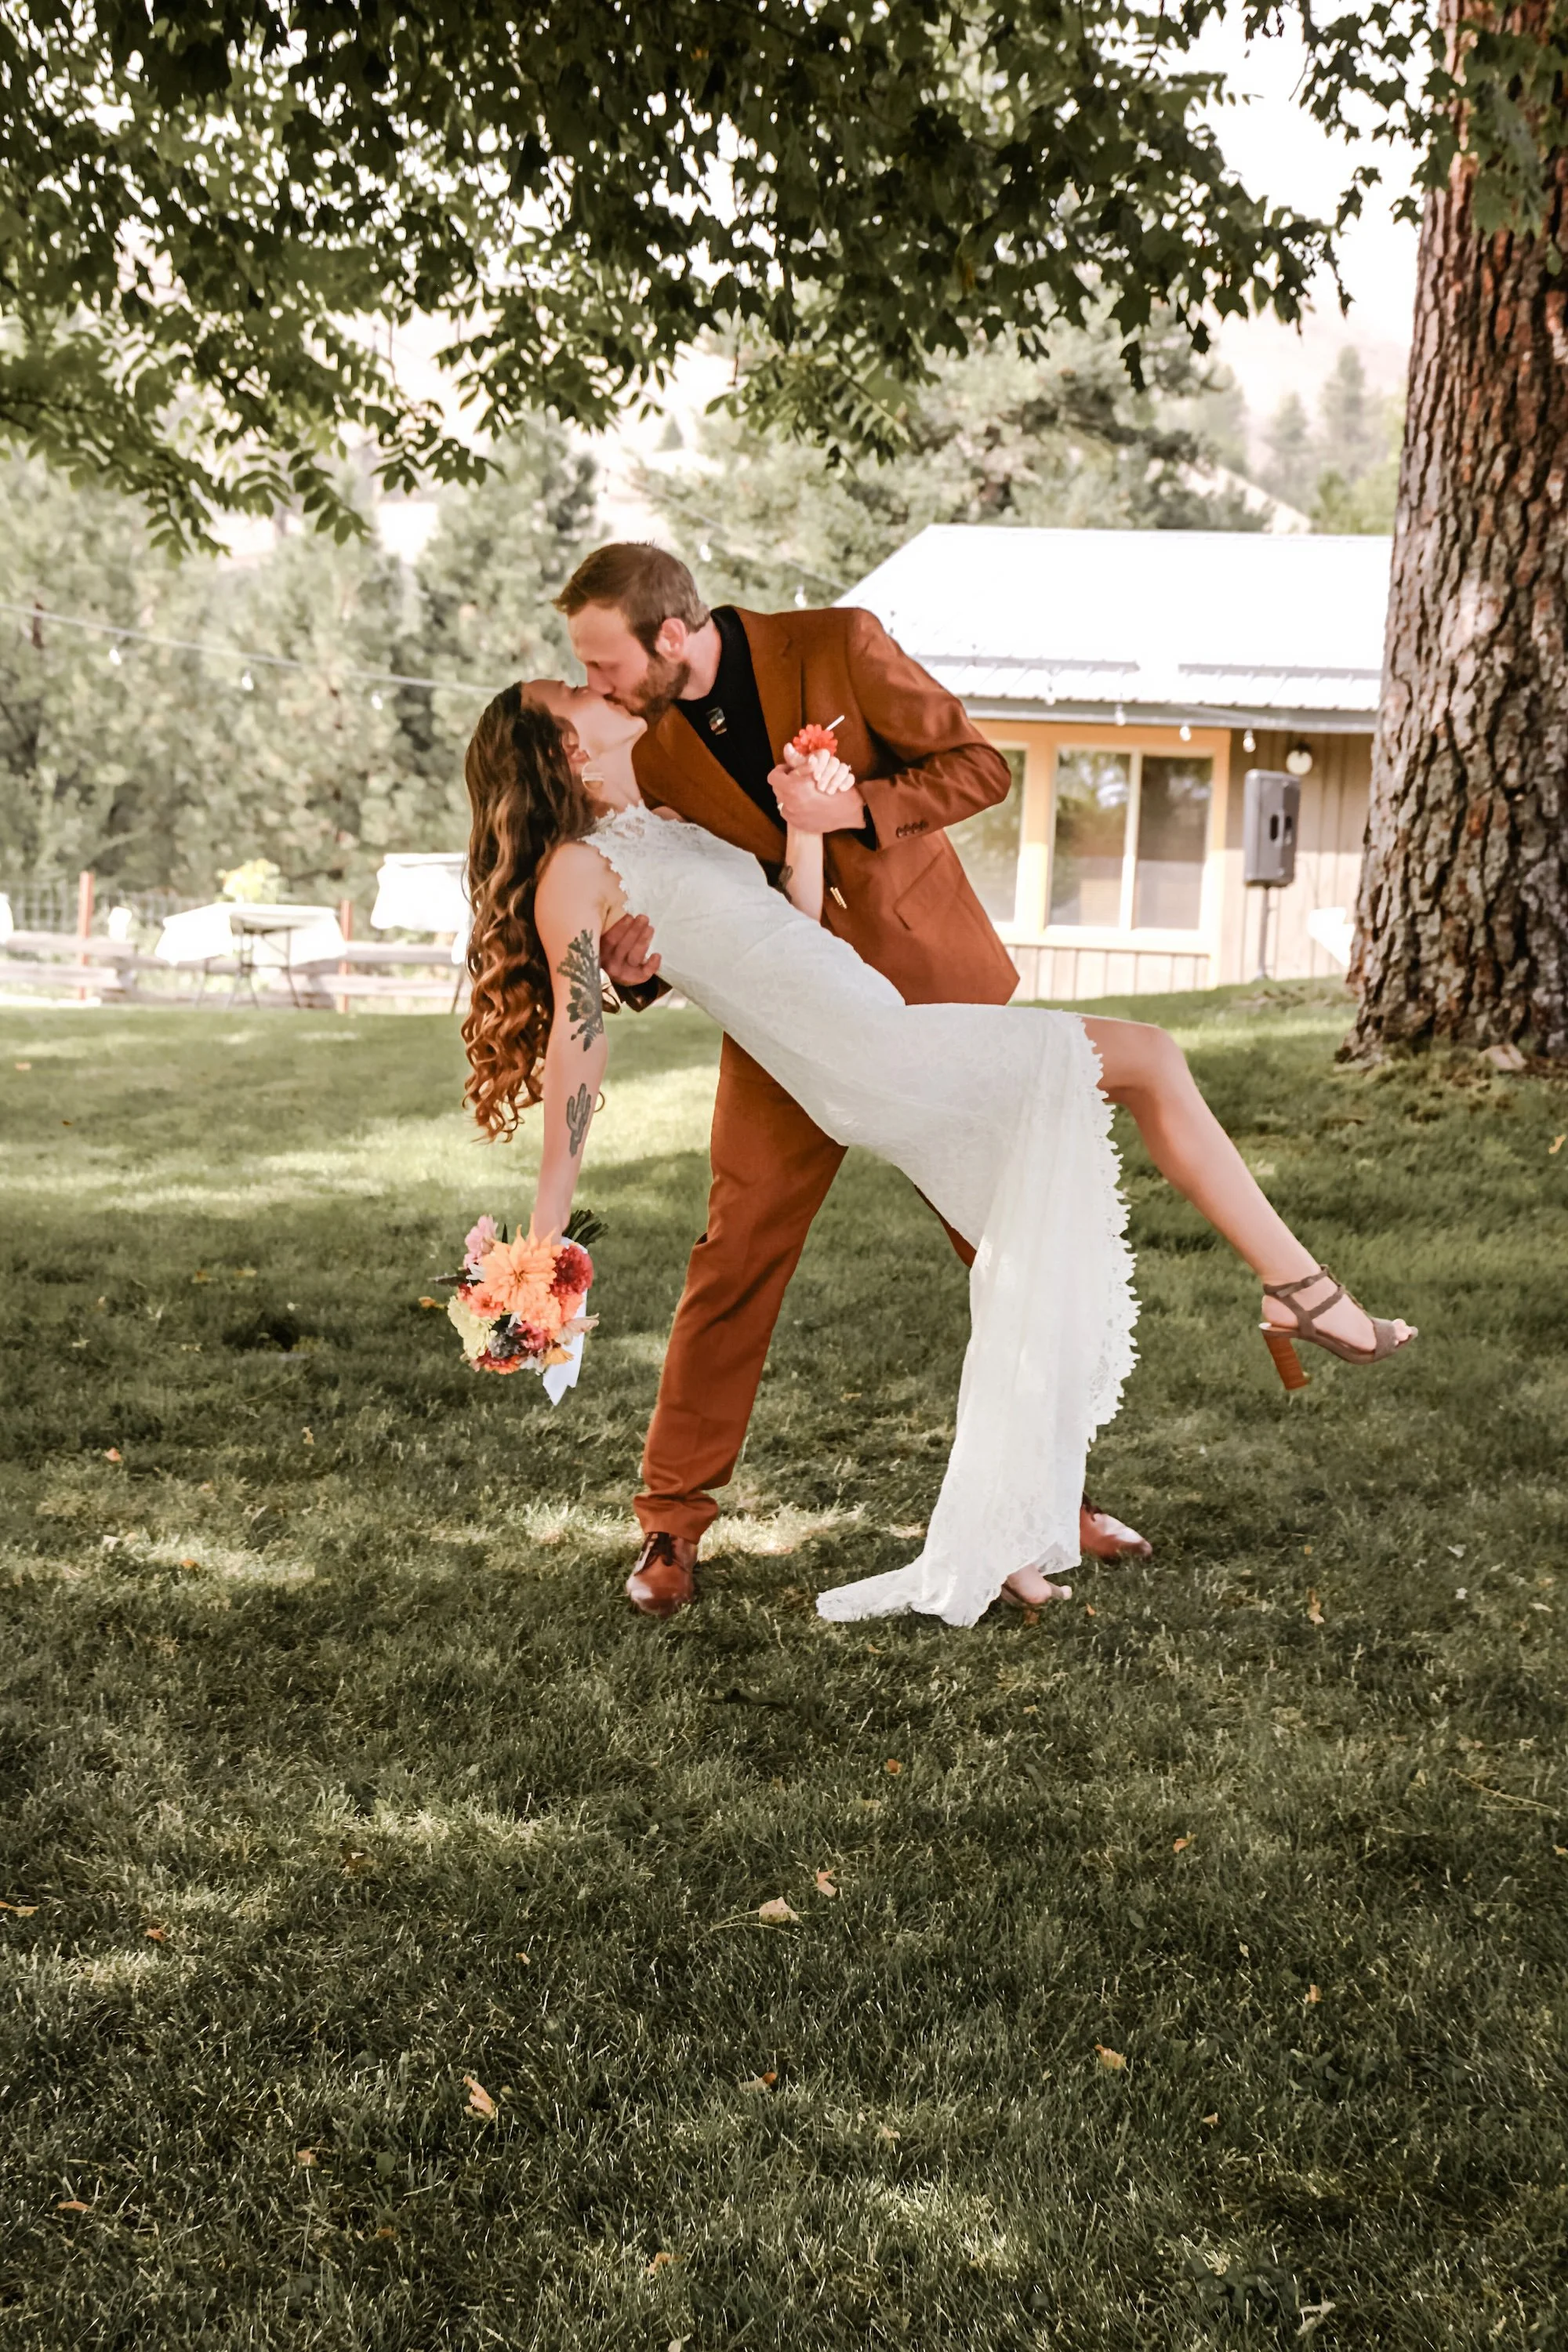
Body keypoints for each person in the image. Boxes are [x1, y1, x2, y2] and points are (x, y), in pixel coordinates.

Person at [459, 680, 1416, 1629]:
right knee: (1150, 1057)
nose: (598, 683)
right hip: (867, 1057)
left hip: (879, 1024)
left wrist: (802, 823)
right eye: (572, 690)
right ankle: (1299, 1293)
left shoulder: (671, 825)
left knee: (1030, 1264)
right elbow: (577, 1042)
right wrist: (547, 1226)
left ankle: (1008, 1538)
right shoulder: (576, 872)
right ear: (566, 751)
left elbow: (791, 928)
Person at [553, 544, 1151, 1617]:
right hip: (787, 1023)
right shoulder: (658, 754)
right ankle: (670, 1525)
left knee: (1004, 1239)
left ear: (672, 638)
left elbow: (979, 766)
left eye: (605, 665)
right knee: (735, 1254)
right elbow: (690, 900)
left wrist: (852, 810)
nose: (598, 687)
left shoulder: (840, 644)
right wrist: (636, 976)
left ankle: (1056, 1499)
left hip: (931, 996)